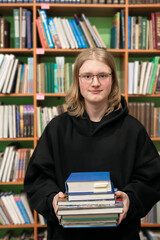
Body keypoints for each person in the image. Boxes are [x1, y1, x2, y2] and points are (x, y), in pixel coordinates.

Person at [24, 48, 160, 240]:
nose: (95, 83)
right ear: (78, 80)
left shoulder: (132, 129)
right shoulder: (57, 128)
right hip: (67, 235)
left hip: (119, 234)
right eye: (87, 76)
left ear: (112, 80)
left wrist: (130, 197)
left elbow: (151, 178)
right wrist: (52, 199)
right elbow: (38, 178)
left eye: (102, 75)